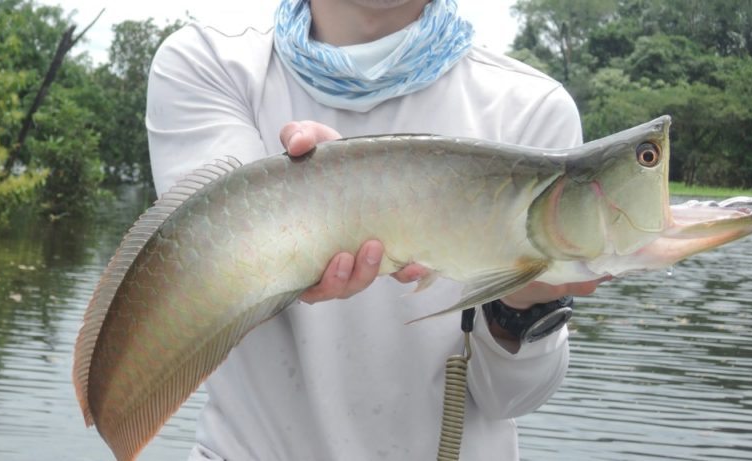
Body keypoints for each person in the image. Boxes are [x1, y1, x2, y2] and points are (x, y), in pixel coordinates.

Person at [146, 1, 606, 459]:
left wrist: (521, 304)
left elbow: (512, 399)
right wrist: (341, 187)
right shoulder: (211, 63)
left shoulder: (533, 108)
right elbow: (218, 270)